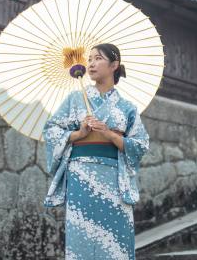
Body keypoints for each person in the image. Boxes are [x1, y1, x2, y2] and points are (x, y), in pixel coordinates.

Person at [43, 43, 149, 260]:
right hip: (81, 176)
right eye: (89, 59)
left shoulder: (127, 108)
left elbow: (140, 144)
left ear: (114, 65)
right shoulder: (75, 99)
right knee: (82, 237)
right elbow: (51, 130)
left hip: (114, 179)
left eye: (98, 58)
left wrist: (109, 134)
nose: (90, 63)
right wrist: (78, 134)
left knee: (115, 241)